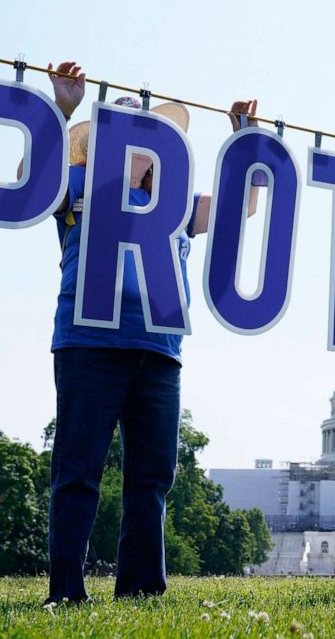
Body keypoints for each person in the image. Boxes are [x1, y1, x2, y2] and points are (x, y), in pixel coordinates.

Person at [43, 61, 260, 602]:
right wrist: (63, 110)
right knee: (78, 472)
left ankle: (141, 589)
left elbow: (242, 209)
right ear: (97, 148)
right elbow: (29, 181)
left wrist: (247, 144)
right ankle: (65, 589)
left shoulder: (177, 203)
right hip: (88, 342)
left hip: (159, 350)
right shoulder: (74, 185)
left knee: (153, 478)